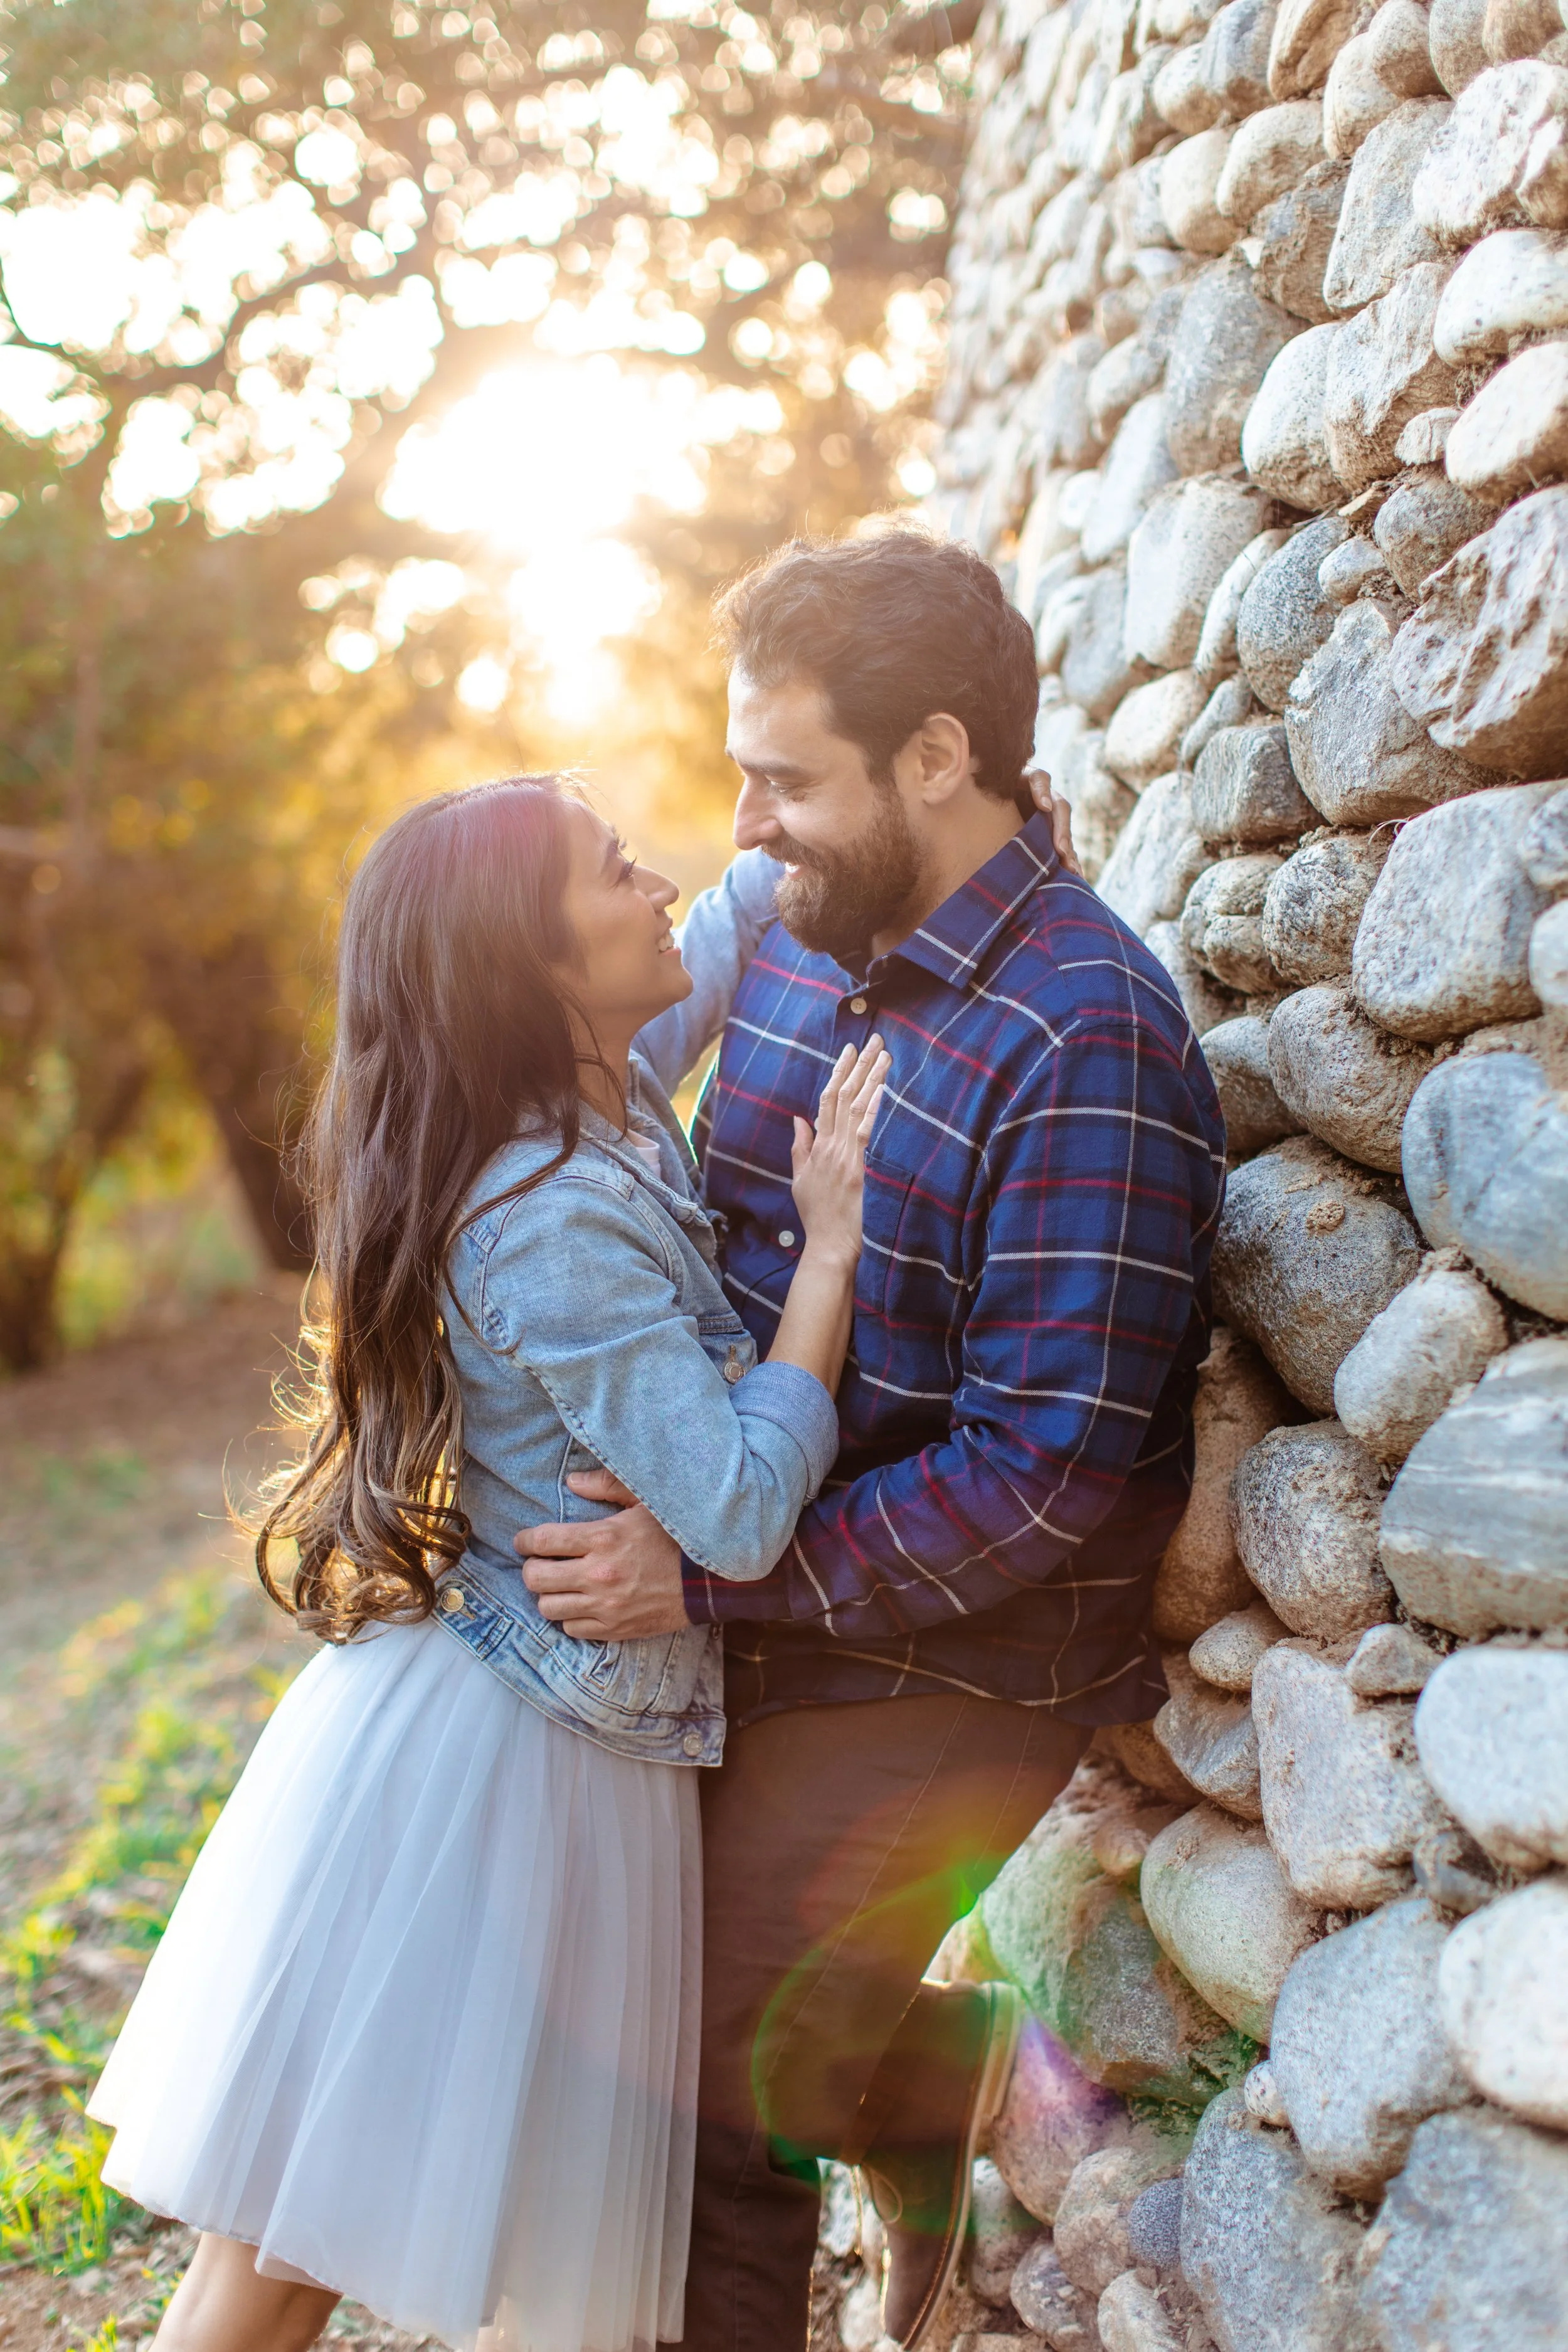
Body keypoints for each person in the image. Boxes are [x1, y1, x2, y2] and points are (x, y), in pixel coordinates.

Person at [514, 532, 1229, 2352]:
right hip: (743, 1575)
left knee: (696, 2102)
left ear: (934, 757)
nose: (744, 821)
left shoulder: (1087, 1035)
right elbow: (560, 1082)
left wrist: (712, 1567)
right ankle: (922, 2077)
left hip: (948, 1651)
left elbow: (1048, 1481)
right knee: (557, 1953)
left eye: (788, 777)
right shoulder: (792, 935)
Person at [87, 773, 890, 2352]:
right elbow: (731, 1513)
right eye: (612, 872)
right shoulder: (546, 1212)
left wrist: (789, 819)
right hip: (500, 1774)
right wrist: (834, 1258)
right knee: (294, 2241)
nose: (657, 876)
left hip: (518, 1738)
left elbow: (713, 926)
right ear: (531, 967)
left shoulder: (589, 1086)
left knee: (348, 2225)